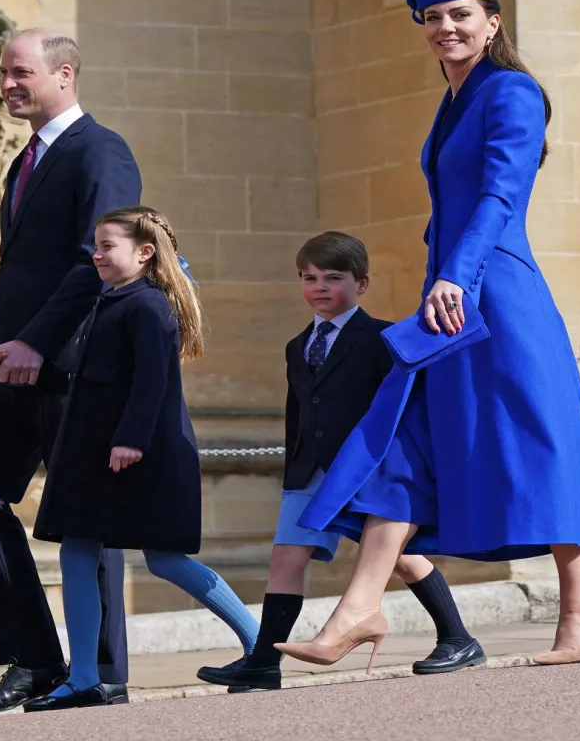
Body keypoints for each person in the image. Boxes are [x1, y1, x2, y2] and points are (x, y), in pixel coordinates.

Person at [277, 0, 580, 672]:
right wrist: (443, 272)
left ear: (492, 22)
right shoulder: (452, 99)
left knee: (541, 439)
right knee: (403, 442)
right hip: (452, 293)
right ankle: (359, 609)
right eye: (432, 17)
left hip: (499, 295)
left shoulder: (512, 91)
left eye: (461, 14)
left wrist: (455, 275)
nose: (445, 27)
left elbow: (501, 194)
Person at [197, 232, 484, 692]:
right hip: (309, 470)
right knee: (287, 558)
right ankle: (263, 664)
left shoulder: (384, 338)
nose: (319, 287)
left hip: (365, 469)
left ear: (361, 284)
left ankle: (458, 637)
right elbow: (298, 412)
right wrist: (292, 473)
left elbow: (401, 408)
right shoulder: (296, 345)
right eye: (309, 278)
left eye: (333, 278)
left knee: (400, 558)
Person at [0, 28, 141, 716]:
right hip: (11, 366)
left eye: (20, 73)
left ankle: (104, 674)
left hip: (71, 365)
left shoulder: (101, 150)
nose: (6, 84)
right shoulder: (23, 161)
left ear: (65, 74)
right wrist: (13, 347)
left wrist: (37, 341)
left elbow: (101, 260)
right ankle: (34, 660)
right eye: (3, 73)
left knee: (87, 514)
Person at [24, 206, 259, 711]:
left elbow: (154, 380)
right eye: (96, 245)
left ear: (144, 252)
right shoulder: (113, 300)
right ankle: (83, 678)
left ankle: (261, 647)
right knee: (76, 550)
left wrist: (130, 440)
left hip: (140, 455)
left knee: (165, 559)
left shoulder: (148, 305)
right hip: (95, 455)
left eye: (107, 246)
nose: (96, 254)